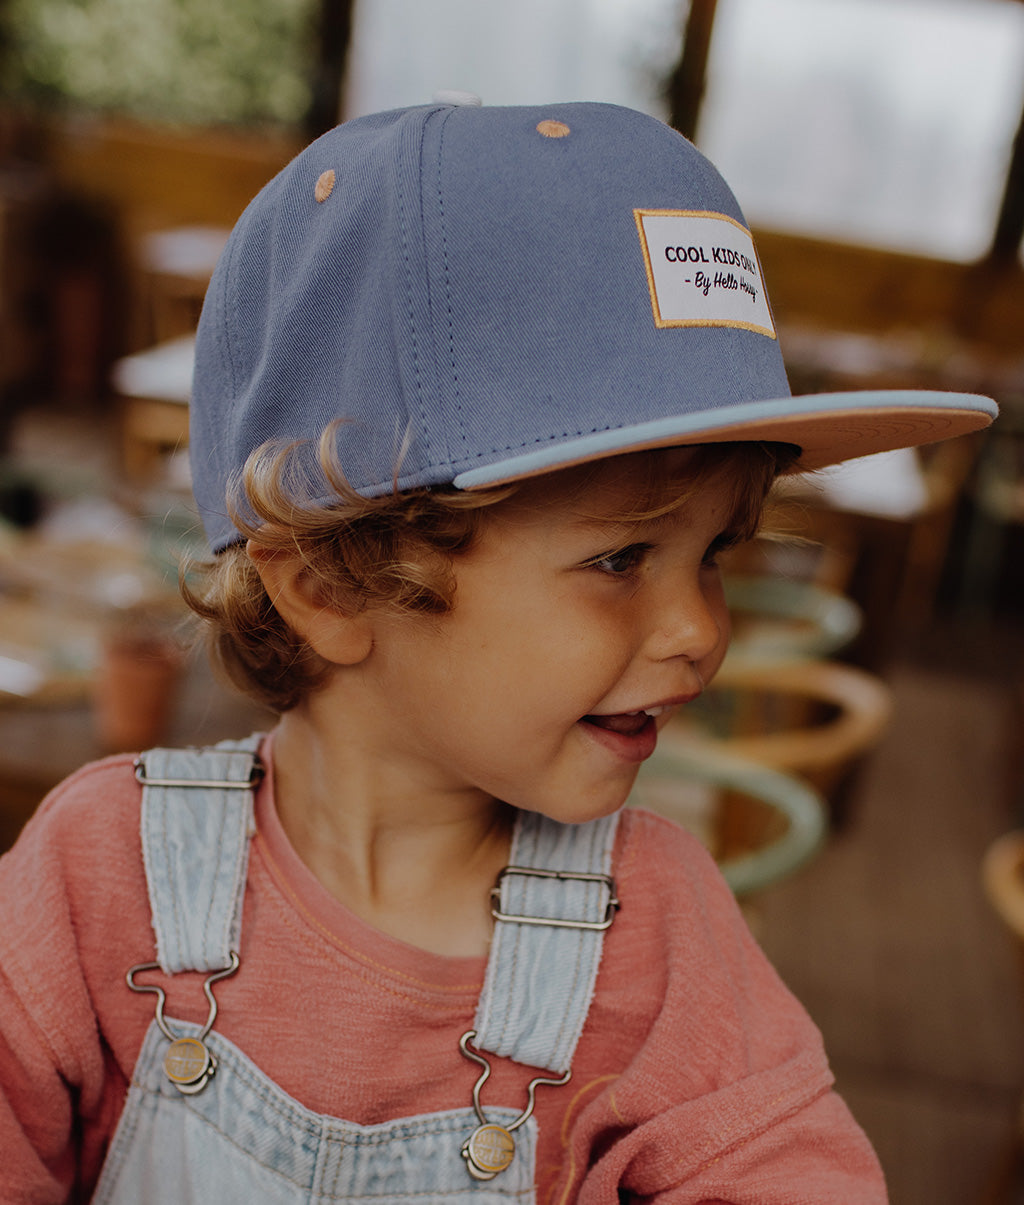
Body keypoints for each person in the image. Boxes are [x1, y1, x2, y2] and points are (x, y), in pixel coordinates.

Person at [0, 98, 996, 1203]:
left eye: (715, 552)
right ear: (331, 581)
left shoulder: (658, 933)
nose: (701, 629)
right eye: (621, 558)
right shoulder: (100, 872)